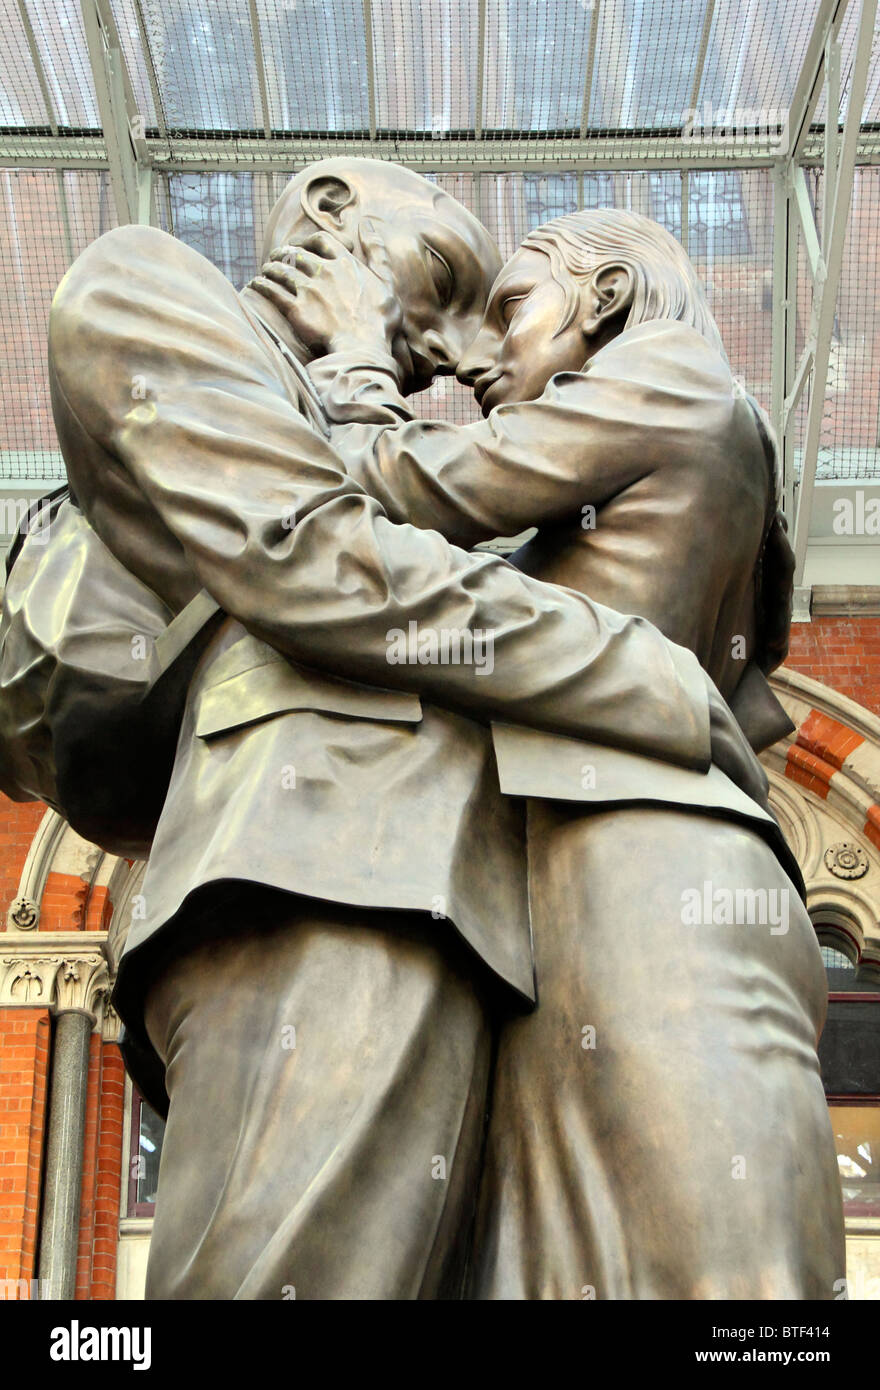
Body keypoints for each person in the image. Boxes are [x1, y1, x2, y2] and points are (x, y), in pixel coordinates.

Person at [34, 162, 758, 1300]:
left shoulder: (363, 408)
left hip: (464, 906)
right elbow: (318, 560)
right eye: (448, 279)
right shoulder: (149, 286)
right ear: (326, 213)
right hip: (320, 873)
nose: (466, 354)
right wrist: (636, 672)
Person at [252, 206, 846, 1298]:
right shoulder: (638, 472)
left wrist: (354, 360)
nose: (484, 358)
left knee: (715, 1249)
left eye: (514, 309)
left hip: (645, 861)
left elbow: (393, 499)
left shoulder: (671, 377)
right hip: (573, 871)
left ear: (606, 301)